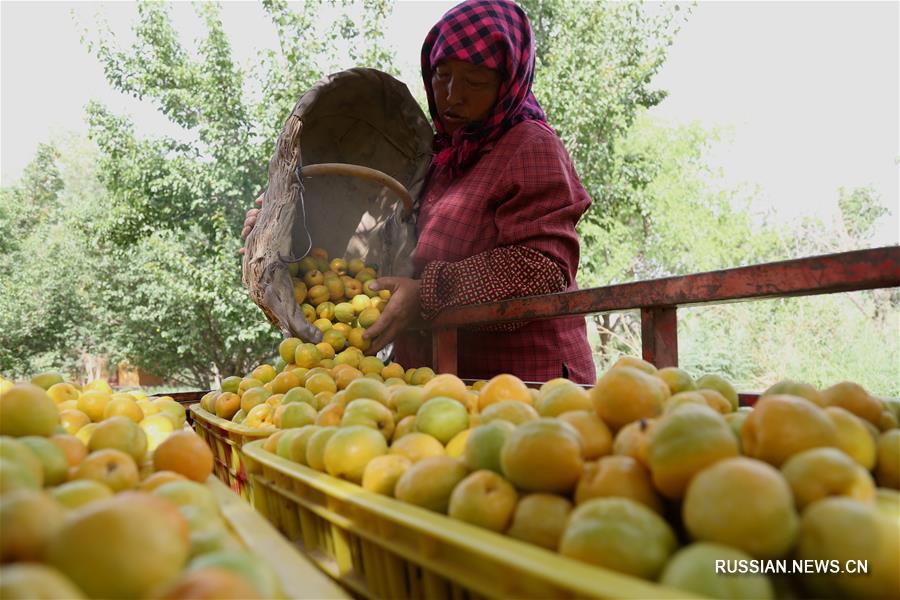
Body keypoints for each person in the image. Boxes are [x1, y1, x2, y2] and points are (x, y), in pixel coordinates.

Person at [243, 0, 595, 384]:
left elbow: (540, 269)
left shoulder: (530, 147)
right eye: (442, 75)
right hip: (438, 384)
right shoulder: (437, 156)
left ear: (509, 82)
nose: (452, 95)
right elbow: (384, 243)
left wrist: (426, 293)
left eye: (475, 82)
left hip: (524, 383)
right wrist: (285, 228)